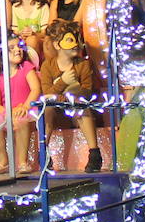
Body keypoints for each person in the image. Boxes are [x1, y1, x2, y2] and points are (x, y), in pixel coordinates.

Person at [39, 20, 102, 172]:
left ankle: (94, 154)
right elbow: (48, 94)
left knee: (83, 109)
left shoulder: (83, 64)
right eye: (69, 40)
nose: (75, 44)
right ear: (57, 45)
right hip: (57, 107)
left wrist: (73, 96)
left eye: (76, 39)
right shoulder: (47, 66)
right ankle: (44, 153)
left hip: (76, 105)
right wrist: (63, 81)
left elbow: (87, 90)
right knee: (47, 110)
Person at [0, 36, 43, 174]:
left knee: (21, 121)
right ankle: (3, 161)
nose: (17, 50)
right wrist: (8, 112)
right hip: (7, 112)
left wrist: (25, 106)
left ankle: (23, 162)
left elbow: (35, 89)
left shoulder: (26, 67)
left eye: (19, 46)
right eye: (11, 48)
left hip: (27, 109)